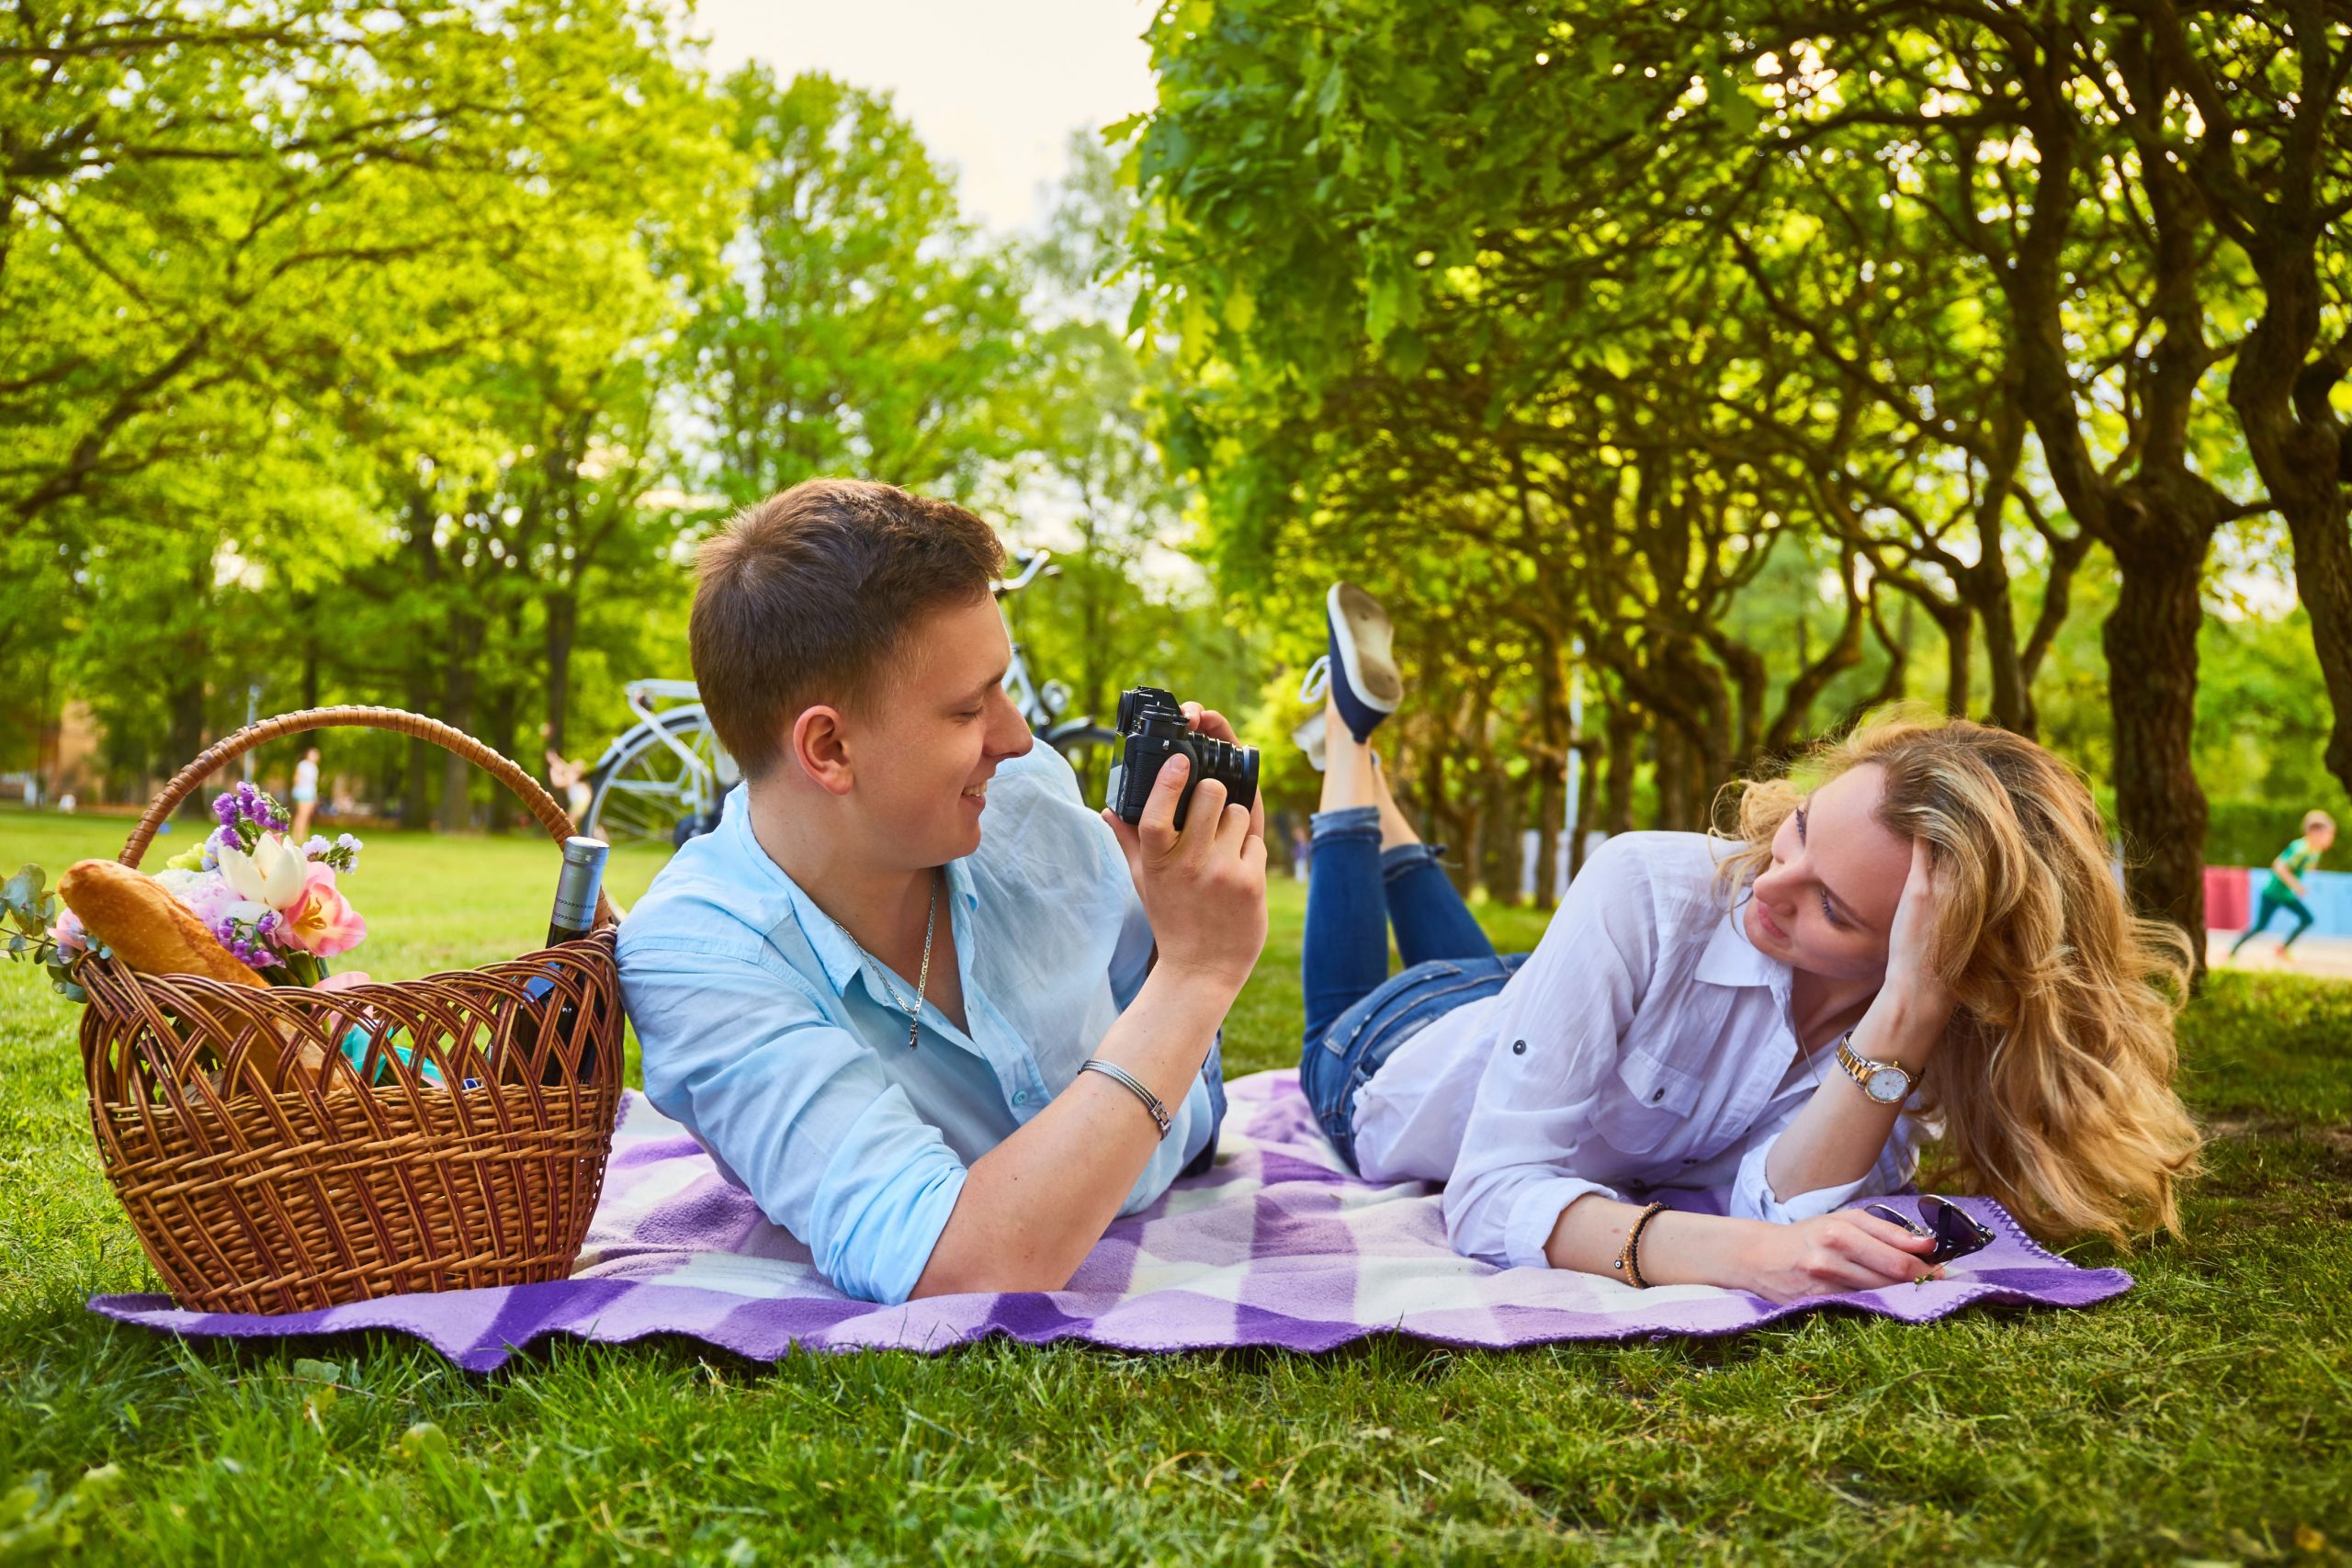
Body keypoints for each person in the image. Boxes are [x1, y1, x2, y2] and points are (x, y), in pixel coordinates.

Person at [1294, 583, 2201, 1303]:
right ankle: (1347, 737)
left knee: (1494, 992)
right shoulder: (1650, 885)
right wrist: (1750, 1259)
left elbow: (1778, 1201)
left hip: (1516, 1004)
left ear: (1929, 957)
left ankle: (1362, 767)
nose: (1766, 885)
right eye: (1798, 831)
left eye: (1834, 911)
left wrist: (1903, 1018)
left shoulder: (1918, 1024)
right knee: (1340, 1009)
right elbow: (1490, 1197)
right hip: (1380, 1060)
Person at [618, 479, 1267, 1305]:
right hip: (1159, 1061)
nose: (1017, 737)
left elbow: (1133, 953)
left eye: (1003, 687)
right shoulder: (698, 958)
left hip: (1185, 1103)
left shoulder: (1020, 790)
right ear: (829, 747)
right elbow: (961, 1266)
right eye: (969, 709)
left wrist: (1175, 889)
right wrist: (1198, 977)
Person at [2228, 810, 2335, 964]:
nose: (2331, 838)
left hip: (2286, 895)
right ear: (2315, 832)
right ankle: (2231, 951)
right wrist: (2296, 886)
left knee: (2307, 919)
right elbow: (2279, 866)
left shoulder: (2315, 851)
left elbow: (2304, 867)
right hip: (2273, 893)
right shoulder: (2301, 848)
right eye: (2329, 834)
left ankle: (2283, 948)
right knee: (2260, 926)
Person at [289, 747, 322, 839]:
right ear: (307, 755)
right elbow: (296, 778)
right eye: (312, 754)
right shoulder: (302, 765)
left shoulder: (314, 767)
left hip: (310, 794)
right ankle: (296, 834)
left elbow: (313, 783)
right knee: (301, 814)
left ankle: (303, 834)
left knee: (307, 815)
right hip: (302, 792)